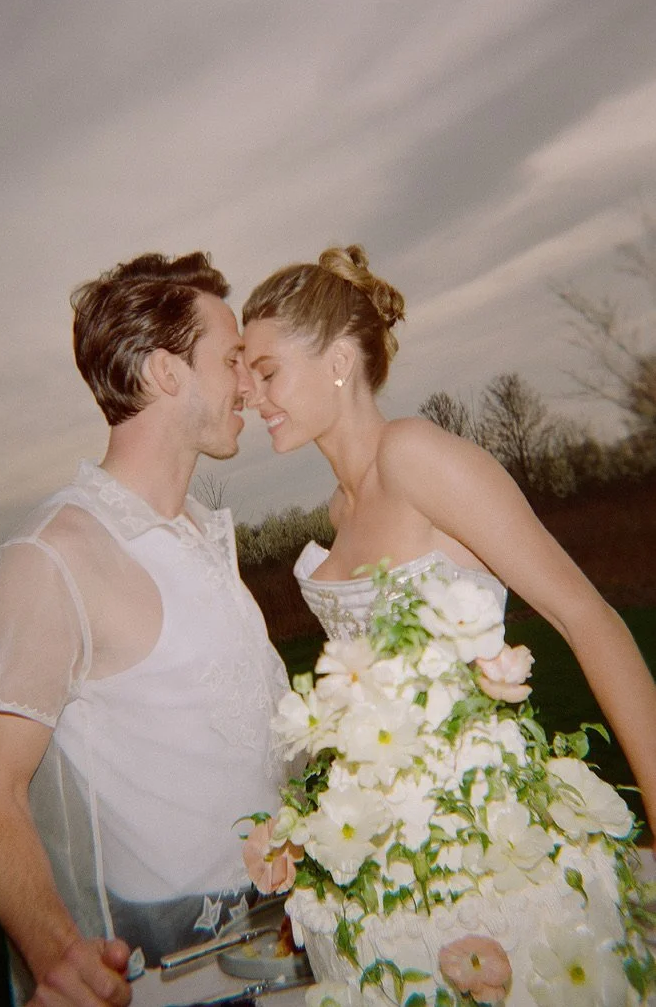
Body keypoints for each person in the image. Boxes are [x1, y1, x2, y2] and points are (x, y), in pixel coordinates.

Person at [0, 251, 289, 1007]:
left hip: (286, 952)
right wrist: (57, 956)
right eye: (231, 357)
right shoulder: (51, 557)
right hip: (181, 983)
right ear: (166, 373)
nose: (249, 381)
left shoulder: (199, 538)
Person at [241, 243, 656, 844]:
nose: (251, 396)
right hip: (402, 843)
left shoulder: (415, 456)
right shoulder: (340, 508)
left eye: (267, 372)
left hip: (488, 826)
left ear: (337, 360)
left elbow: (586, 615)